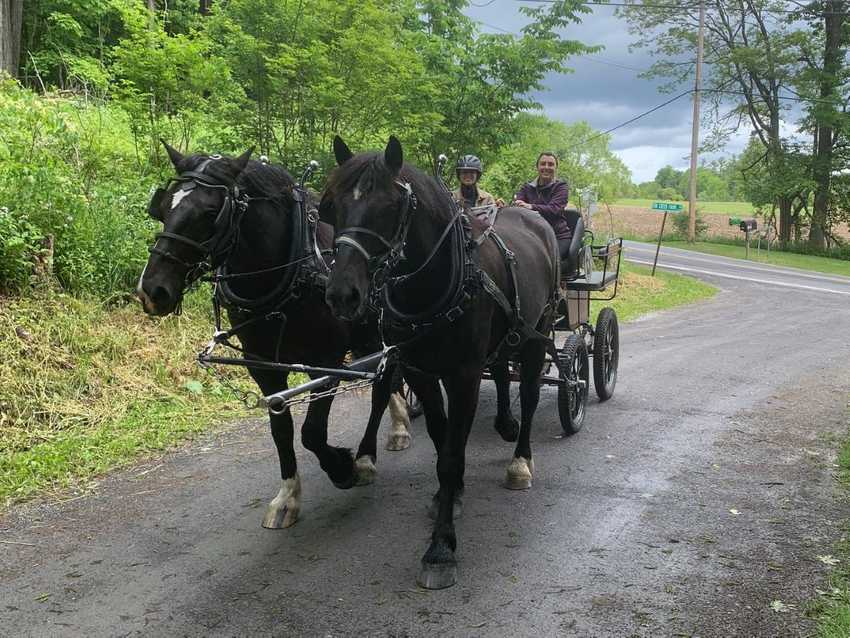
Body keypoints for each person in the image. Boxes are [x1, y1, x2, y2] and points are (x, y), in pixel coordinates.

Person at [514, 152, 572, 259]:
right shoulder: (527, 187)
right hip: (531, 236)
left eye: (550, 164)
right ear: (537, 167)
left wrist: (531, 207)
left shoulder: (561, 187)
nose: (546, 167)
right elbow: (518, 204)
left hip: (557, 237)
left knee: (544, 261)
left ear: (556, 168)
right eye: (543, 164)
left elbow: (555, 209)